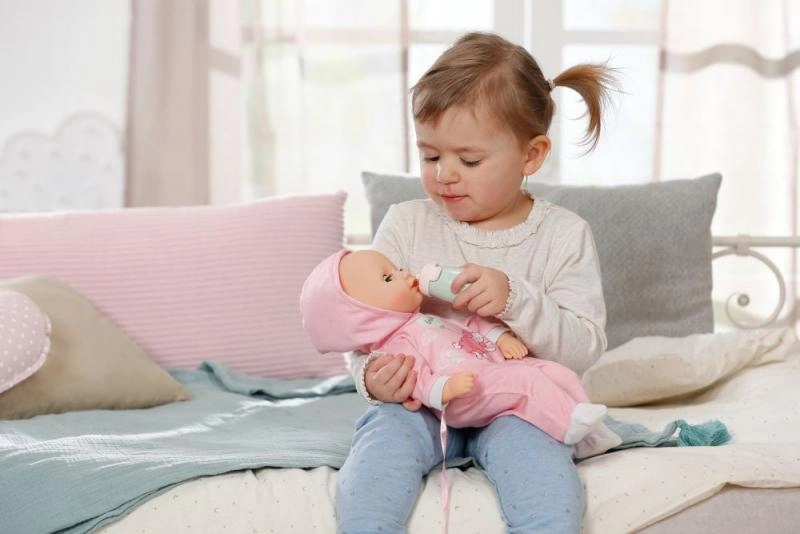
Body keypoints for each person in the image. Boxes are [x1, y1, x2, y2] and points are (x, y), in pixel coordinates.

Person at [337, 31, 616, 533]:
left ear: (531, 155)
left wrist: (515, 299)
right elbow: (364, 320)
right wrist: (372, 375)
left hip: (517, 405)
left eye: (468, 161)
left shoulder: (563, 235)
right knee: (381, 448)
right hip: (423, 401)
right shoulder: (407, 224)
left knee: (542, 472)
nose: (445, 174)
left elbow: (583, 348)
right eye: (430, 156)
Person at [300, 248, 616, 455]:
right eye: (388, 277)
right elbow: (417, 380)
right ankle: (568, 425)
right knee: (527, 383)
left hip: (491, 371)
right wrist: (444, 389)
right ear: (366, 315)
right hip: (463, 397)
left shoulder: (424, 319)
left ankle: (591, 436)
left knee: (552, 371)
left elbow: (470, 325)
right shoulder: (396, 345)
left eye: (396, 268)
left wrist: (501, 337)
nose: (404, 273)